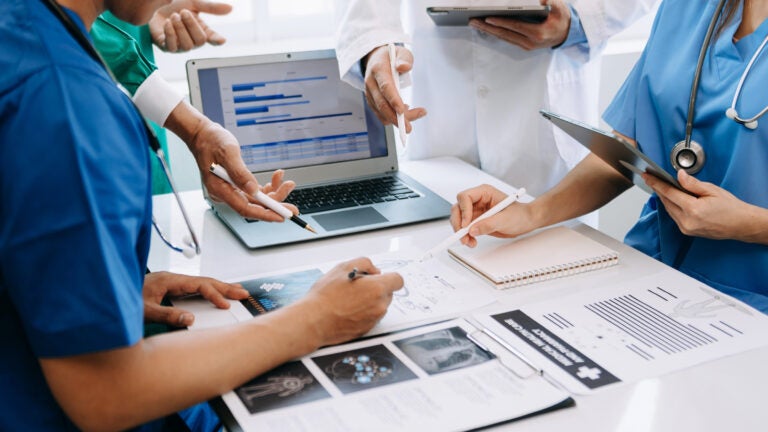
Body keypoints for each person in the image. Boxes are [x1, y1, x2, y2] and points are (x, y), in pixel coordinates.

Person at [0, 1, 404, 432]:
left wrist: (111, 288)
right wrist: (317, 318)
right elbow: (103, 393)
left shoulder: (22, 28)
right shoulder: (69, 107)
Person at [450, 0, 768, 312]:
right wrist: (530, 214)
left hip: (754, 296)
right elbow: (625, 155)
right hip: (657, 276)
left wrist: (750, 225)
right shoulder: (689, 7)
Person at [337, 0, 657, 199]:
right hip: (440, 102)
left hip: (543, 112)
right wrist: (377, 44)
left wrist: (580, 18)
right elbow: (368, 14)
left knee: (554, 276)